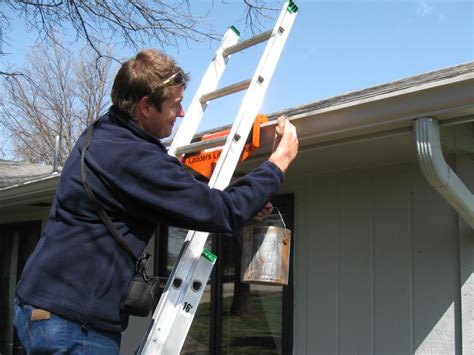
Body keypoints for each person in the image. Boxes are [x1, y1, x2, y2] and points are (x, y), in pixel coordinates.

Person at [13, 49, 298, 354]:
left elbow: (174, 193)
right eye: (175, 105)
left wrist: (247, 199)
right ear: (145, 106)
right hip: (73, 326)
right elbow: (220, 212)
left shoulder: (105, 134)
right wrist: (277, 164)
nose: (183, 113)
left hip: (43, 307)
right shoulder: (132, 157)